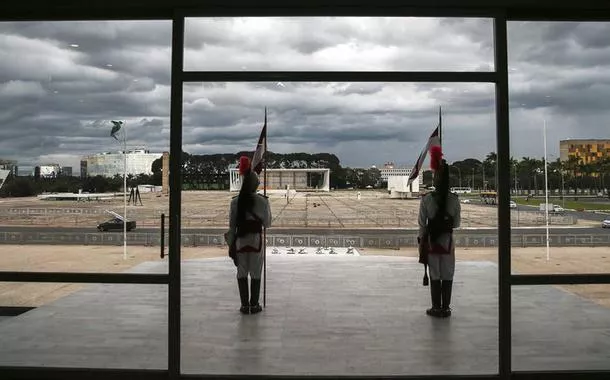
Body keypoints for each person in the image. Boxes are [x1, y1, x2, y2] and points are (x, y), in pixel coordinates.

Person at [418, 146, 461, 318]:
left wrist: (422, 241)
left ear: (436, 179)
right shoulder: (454, 200)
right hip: (448, 242)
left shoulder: (427, 199)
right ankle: (446, 307)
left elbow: (422, 223)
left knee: (435, 274)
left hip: (432, 242)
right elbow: (456, 224)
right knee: (448, 274)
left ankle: (436, 307)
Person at [226, 156, 272, 315]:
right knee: (256, 273)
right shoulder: (263, 201)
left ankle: (244, 305)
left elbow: (232, 225)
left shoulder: (235, 202)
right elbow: (267, 223)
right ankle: (255, 304)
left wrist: (231, 244)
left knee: (242, 273)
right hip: (256, 241)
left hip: (240, 241)